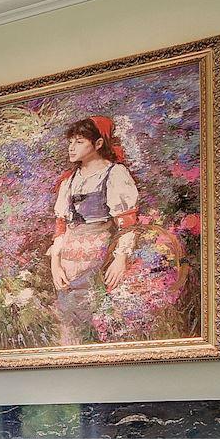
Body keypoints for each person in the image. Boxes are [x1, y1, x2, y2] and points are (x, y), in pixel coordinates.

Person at [45, 116, 139, 345]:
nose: (71, 147)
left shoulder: (114, 174)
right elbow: (61, 227)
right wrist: (55, 265)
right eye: (71, 141)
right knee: (68, 319)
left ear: (97, 144)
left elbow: (127, 223)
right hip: (69, 259)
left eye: (79, 141)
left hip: (99, 254)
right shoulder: (69, 181)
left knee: (96, 314)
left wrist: (121, 259)